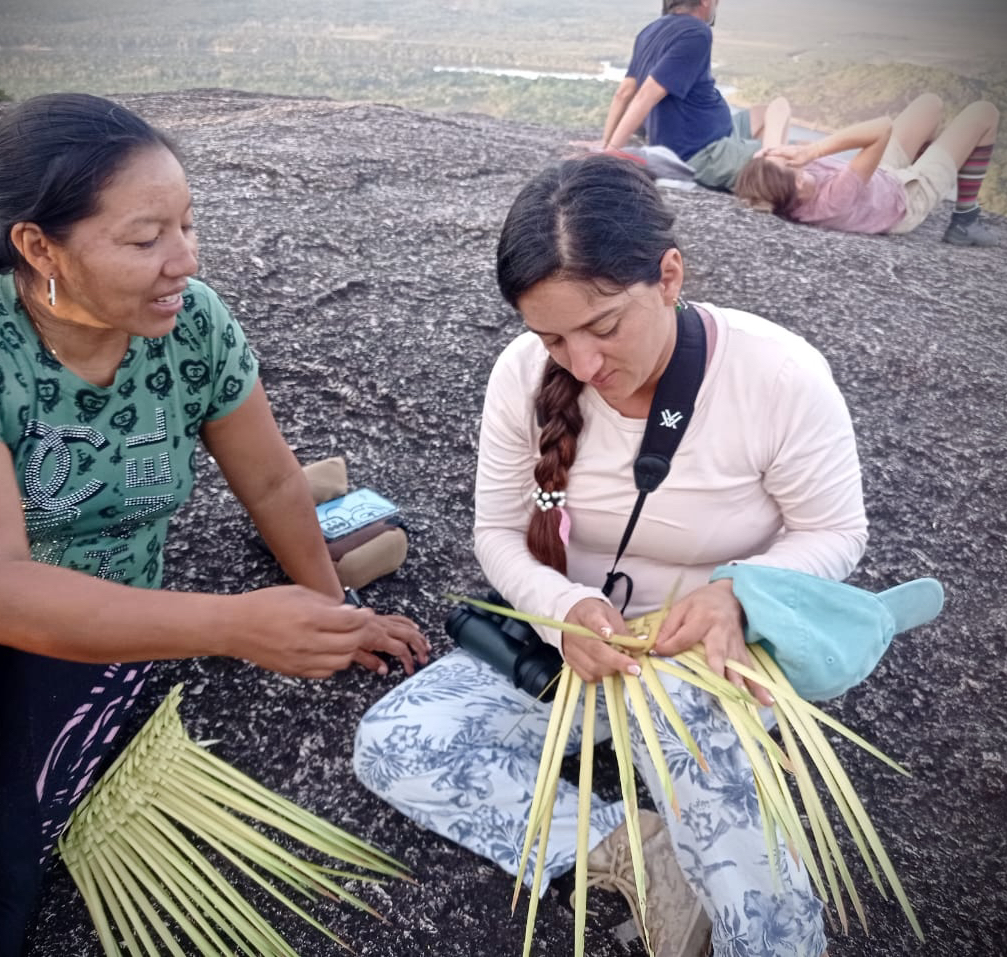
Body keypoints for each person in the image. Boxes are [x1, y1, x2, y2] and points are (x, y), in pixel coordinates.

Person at [0, 92, 429, 956]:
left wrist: (332, 611)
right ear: (39, 246)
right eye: (146, 239)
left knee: (5, 849)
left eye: (186, 225)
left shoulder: (194, 327)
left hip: (108, 599)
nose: (184, 259)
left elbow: (271, 480)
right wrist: (234, 624)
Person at [353, 154, 866, 957]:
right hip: (579, 650)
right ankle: (636, 848)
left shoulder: (778, 375)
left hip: (703, 657)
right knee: (396, 742)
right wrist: (563, 613)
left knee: (754, 885)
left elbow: (836, 531)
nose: (583, 365)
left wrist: (738, 591)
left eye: (604, 327)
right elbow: (497, 533)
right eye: (552, 337)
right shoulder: (523, 375)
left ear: (669, 277)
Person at [733, 93, 1000, 246]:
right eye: (787, 162)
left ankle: (928, 164)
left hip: (879, 178)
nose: (788, 155)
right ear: (798, 183)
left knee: (930, 104)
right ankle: (965, 220)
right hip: (907, 198)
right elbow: (882, 128)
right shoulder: (832, 200)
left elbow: (779, 105)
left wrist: (771, 149)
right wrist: (813, 151)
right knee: (984, 112)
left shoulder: (781, 182)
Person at [598, 0, 791, 191]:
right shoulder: (697, 33)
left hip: (717, 133)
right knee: (792, 158)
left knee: (769, 111)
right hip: (703, 153)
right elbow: (646, 95)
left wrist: (606, 142)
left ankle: (768, 161)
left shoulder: (649, 31)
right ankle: (771, 172)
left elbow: (623, 93)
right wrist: (611, 153)